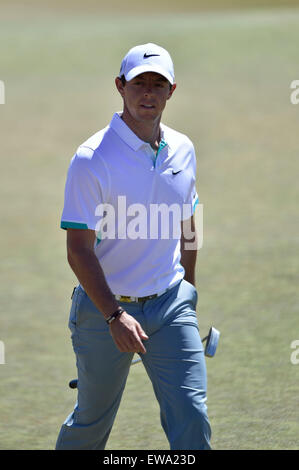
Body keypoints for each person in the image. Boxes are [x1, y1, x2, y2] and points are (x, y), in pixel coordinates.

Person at [55, 43, 211, 450]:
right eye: (139, 82)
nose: (148, 92)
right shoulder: (92, 158)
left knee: (192, 418)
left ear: (171, 91)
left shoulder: (183, 149)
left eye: (158, 84)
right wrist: (113, 316)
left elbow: (189, 219)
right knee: (91, 422)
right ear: (119, 86)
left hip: (170, 304)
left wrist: (188, 288)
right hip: (103, 310)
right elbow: (79, 250)